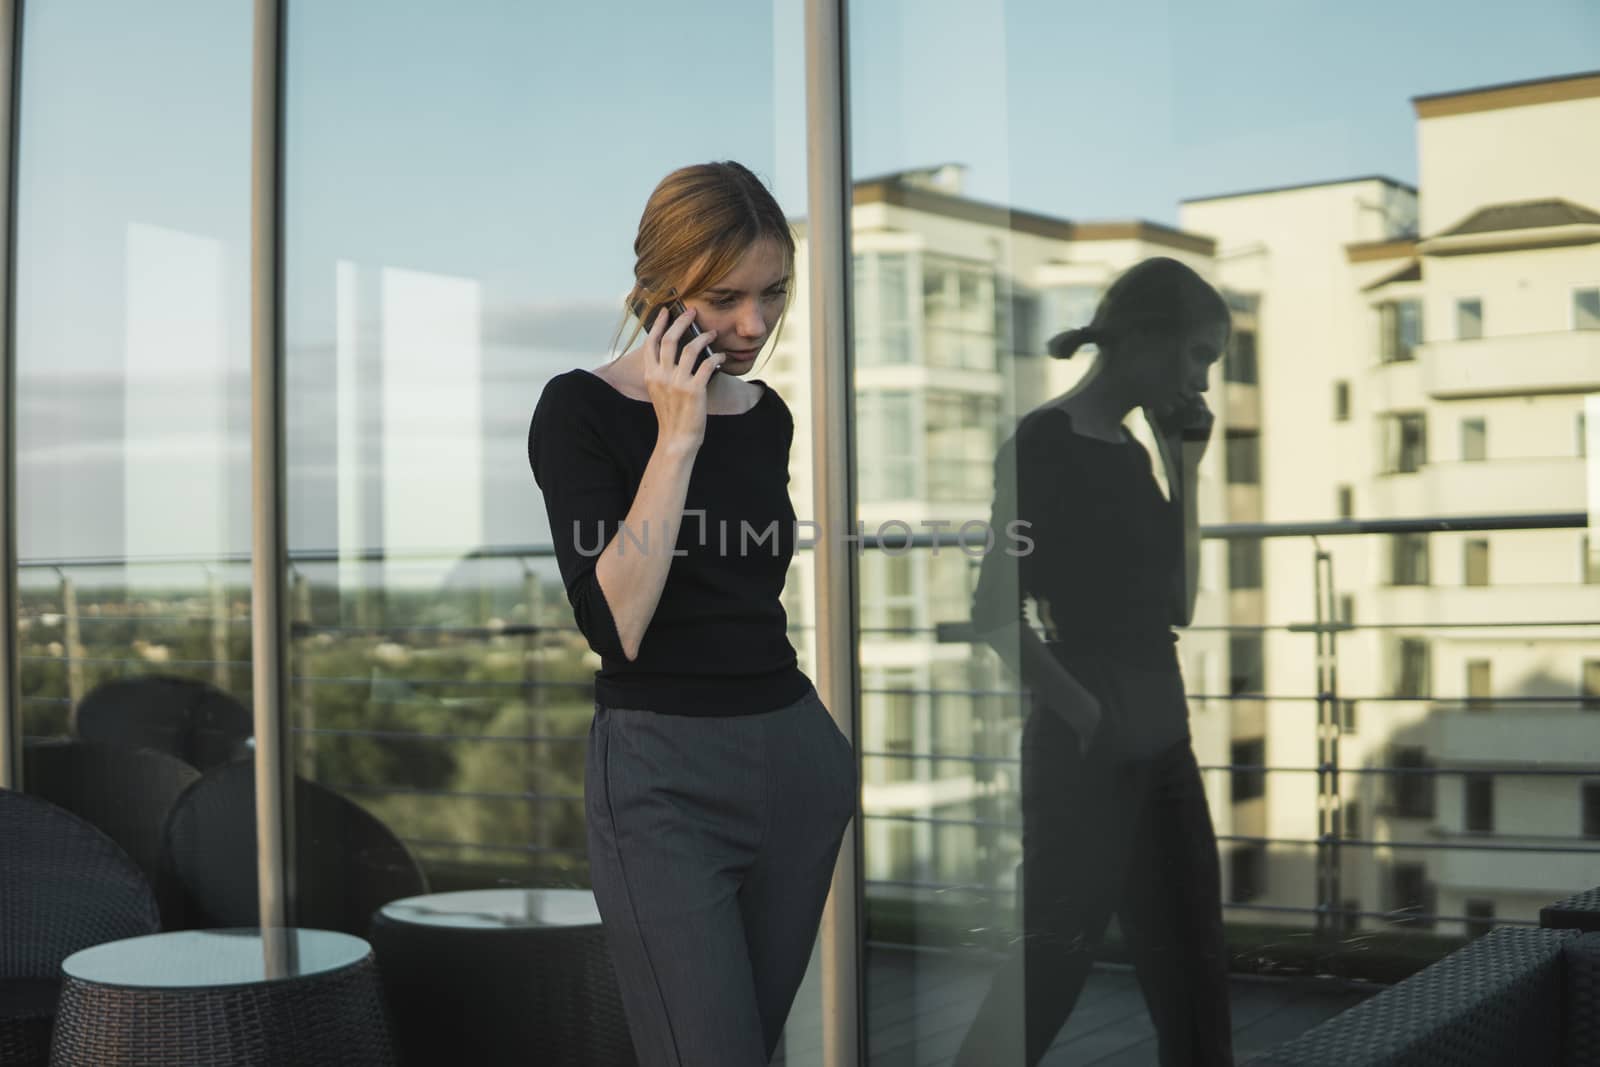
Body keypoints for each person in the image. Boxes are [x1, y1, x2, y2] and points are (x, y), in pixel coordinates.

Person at [526, 161, 856, 1067]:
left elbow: (750, 600)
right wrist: (677, 435)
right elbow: (617, 623)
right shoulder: (579, 411)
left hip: (796, 763)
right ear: (659, 291)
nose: (754, 325)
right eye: (724, 298)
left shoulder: (768, 415)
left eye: (773, 294)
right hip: (661, 781)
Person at [954, 257, 1236, 1065]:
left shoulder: (1137, 451)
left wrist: (1188, 468)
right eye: (1197, 358)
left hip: (1165, 741)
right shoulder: (1043, 442)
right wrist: (1089, 719)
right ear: (1147, 338)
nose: (1201, 383)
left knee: (1196, 985)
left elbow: (1179, 607)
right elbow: (994, 617)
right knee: (1044, 977)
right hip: (1088, 751)